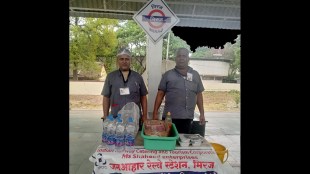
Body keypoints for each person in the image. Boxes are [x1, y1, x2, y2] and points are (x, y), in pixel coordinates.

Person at [152, 47, 205, 134]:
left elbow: (199, 94)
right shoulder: (168, 75)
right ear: (175, 59)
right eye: (179, 56)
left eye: (184, 56)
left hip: (187, 118)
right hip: (170, 118)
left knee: (183, 143)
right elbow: (160, 94)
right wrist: (155, 112)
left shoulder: (195, 75)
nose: (181, 58)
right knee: (168, 143)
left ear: (188, 58)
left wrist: (202, 114)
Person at [101, 48, 148, 129]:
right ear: (117, 61)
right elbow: (106, 97)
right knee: (118, 140)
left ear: (130, 61)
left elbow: (143, 97)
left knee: (134, 140)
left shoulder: (138, 77)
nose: (124, 61)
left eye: (127, 59)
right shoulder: (111, 77)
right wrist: (105, 116)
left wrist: (144, 116)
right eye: (121, 59)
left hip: (134, 118)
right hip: (116, 118)